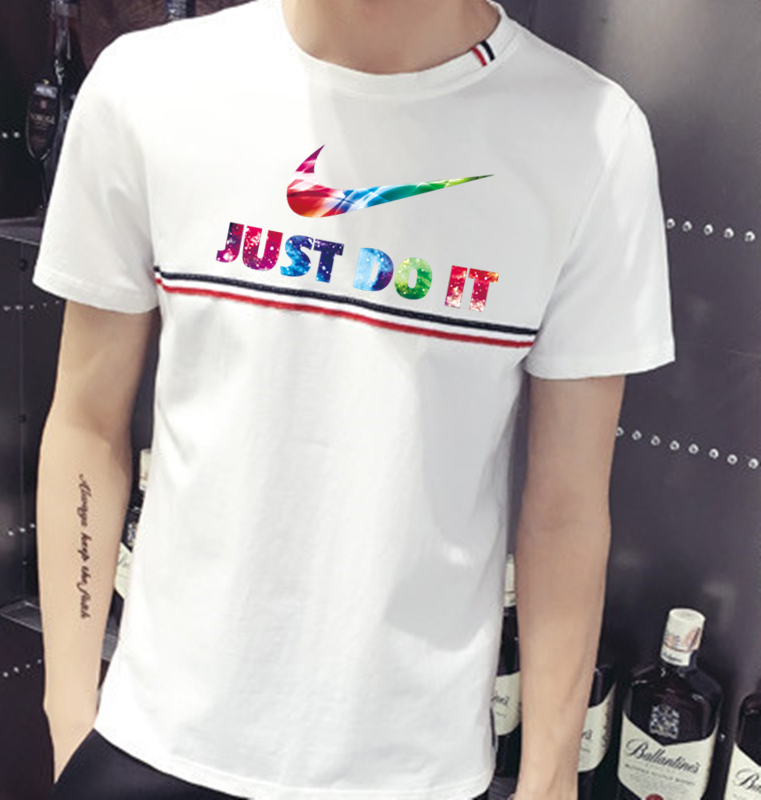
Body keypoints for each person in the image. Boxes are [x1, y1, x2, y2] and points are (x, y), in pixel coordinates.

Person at [33, 0, 675, 798]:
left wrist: (549, 779)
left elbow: (567, 505)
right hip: (154, 743)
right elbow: (87, 423)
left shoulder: (590, 137)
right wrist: (70, 710)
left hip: (412, 768)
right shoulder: (149, 87)